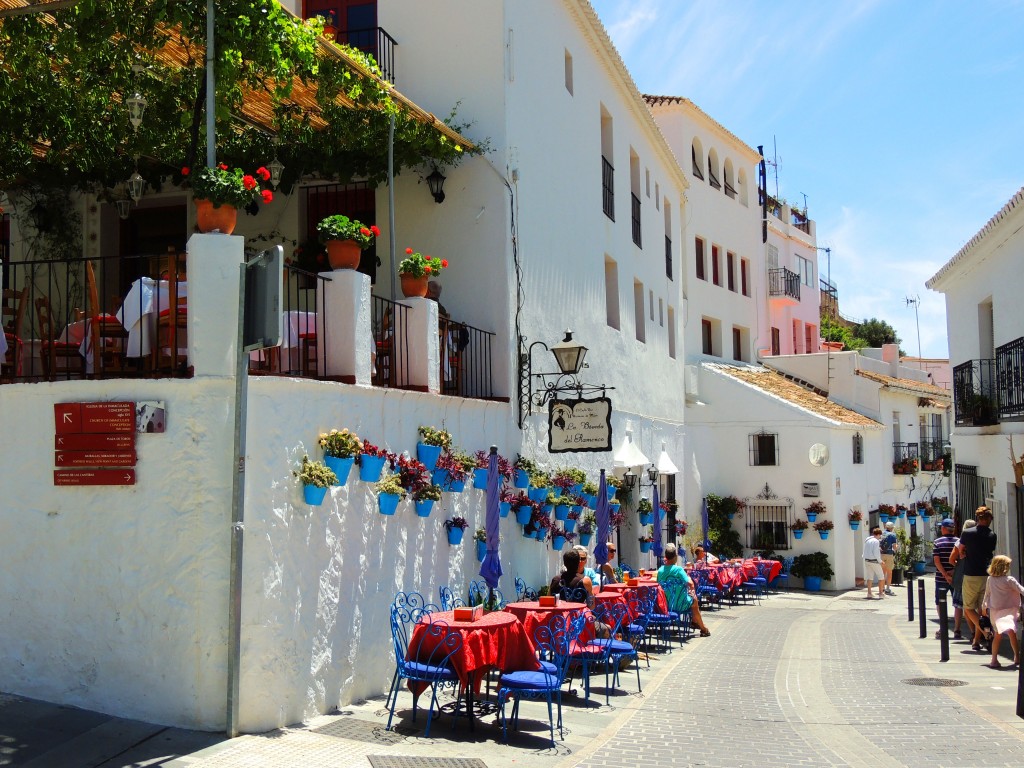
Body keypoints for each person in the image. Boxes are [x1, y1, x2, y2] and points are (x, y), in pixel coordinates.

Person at [958, 506, 998, 652]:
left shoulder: (967, 533)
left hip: (971, 574)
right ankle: (976, 641)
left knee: (968, 609)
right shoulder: (992, 535)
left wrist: (963, 554)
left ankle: (986, 633)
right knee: (982, 611)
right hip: (987, 575)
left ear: (978, 518)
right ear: (988, 519)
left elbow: (960, 550)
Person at [657, 543, 711, 637]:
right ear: (675, 557)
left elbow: (658, 585)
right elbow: (690, 583)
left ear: (666, 557)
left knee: (692, 598)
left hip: (665, 605)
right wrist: (691, 589)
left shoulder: (661, 570)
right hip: (680, 604)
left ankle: (695, 622)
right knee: (694, 600)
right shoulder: (678, 570)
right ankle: (702, 628)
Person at [981, 555, 1024, 668]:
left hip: (995, 611)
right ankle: (1017, 657)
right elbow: (1021, 590)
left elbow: (987, 594)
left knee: (997, 635)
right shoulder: (1009, 580)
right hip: (1008, 611)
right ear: (1004, 567)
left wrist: (984, 607)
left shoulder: (990, 579)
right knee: (1011, 633)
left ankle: (994, 660)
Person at [948, 519, 977, 639]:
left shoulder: (960, 542)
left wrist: (958, 566)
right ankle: (976, 631)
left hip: (962, 577)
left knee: (959, 605)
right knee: (974, 606)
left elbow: (951, 559)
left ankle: (957, 629)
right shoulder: (978, 542)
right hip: (976, 574)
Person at [932, 517, 959, 638]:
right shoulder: (959, 541)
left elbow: (937, 561)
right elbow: (962, 560)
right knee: (958, 603)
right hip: (956, 577)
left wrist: (945, 574)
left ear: (943, 528)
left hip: (941, 578)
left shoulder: (937, 542)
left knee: (940, 602)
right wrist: (953, 572)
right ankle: (957, 629)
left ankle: (943, 627)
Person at [863, 526, 885, 599]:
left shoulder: (867, 539)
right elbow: (876, 553)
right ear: (878, 534)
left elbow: (869, 548)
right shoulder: (876, 541)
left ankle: (869, 593)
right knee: (881, 577)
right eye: (880, 535)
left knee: (870, 577)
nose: (880, 537)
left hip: (867, 560)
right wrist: (880, 561)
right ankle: (881, 594)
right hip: (874, 561)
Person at [880, 521, 898, 596]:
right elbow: (894, 547)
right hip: (889, 554)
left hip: (881, 554)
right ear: (891, 528)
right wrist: (897, 547)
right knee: (889, 572)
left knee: (883, 572)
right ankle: (888, 588)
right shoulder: (892, 535)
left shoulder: (882, 534)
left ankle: (882, 587)